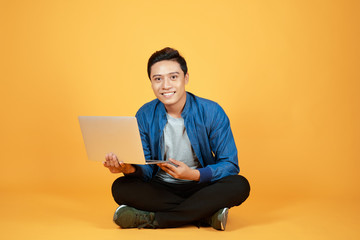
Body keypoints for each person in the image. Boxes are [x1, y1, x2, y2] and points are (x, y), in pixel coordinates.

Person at [103, 47, 250, 230]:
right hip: (162, 187)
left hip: (201, 185)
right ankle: (206, 214)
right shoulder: (145, 114)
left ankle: (154, 220)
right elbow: (147, 170)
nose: (165, 86)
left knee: (240, 185)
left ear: (185, 78)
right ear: (151, 82)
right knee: (120, 187)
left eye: (173, 77)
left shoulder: (211, 111)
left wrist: (194, 174)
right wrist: (127, 167)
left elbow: (230, 164)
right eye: (158, 79)